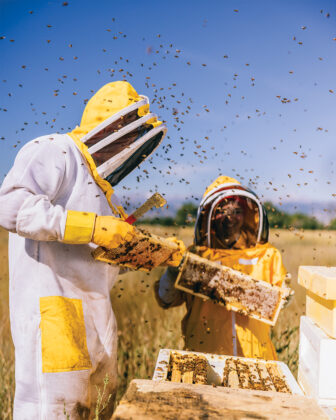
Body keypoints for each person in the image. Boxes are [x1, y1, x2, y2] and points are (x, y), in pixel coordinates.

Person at [0, 81, 182, 419]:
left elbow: (97, 262)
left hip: (98, 328)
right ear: (112, 124)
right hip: (56, 323)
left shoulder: (103, 192)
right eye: (127, 135)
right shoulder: (55, 150)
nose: (128, 145)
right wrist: (95, 227)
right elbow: (11, 206)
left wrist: (151, 253)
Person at [156, 175, 287, 360]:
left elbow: (275, 306)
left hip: (256, 359)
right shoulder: (195, 255)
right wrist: (171, 273)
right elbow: (165, 299)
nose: (229, 218)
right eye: (221, 211)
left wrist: (282, 297)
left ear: (247, 214)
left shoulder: (267, 256)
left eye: (236, 211)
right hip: (205, 359)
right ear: (208, 215)